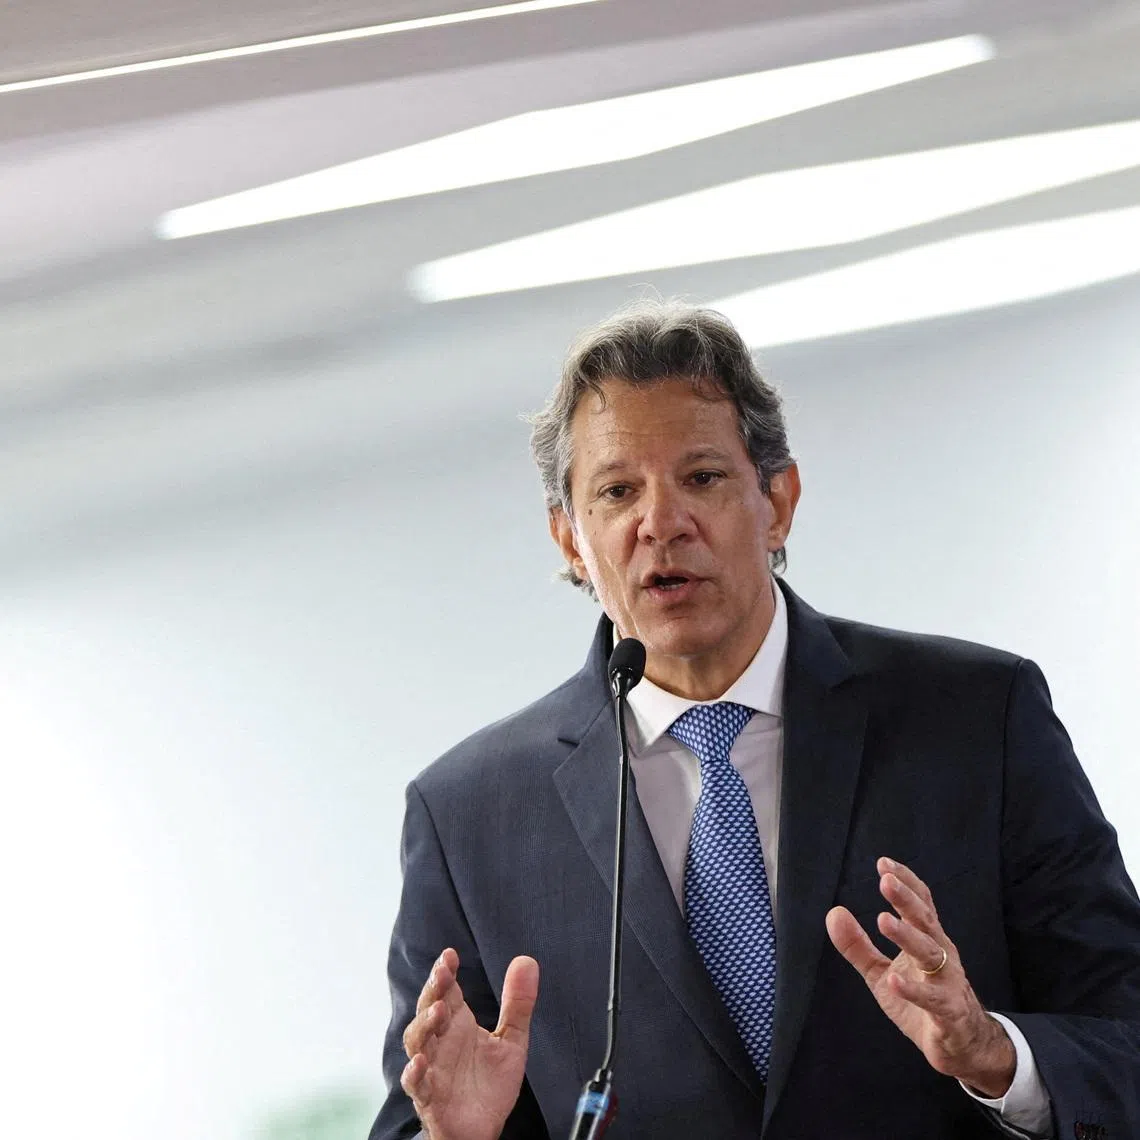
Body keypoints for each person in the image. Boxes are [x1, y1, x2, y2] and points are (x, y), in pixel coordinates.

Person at [368, 302, 1140, 1140]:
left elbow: (1124, 1038)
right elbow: (418, 1117)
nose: (660, 522)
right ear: (569, 539)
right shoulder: (471, 815)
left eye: (701, 477)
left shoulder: (975, 718)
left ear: (777, 500)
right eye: (617, 491)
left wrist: (995, 1054)